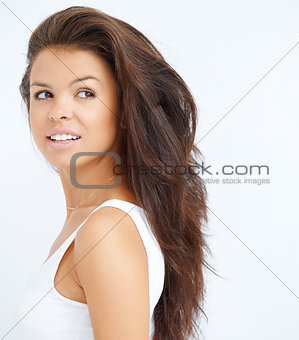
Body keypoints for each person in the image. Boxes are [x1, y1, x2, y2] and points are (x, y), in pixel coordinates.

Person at [7, 5, 216, 340]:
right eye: (43, 94)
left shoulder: (106, 230)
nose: (58, 111)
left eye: (85, 93)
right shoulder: (88, 220)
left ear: (123, 110)